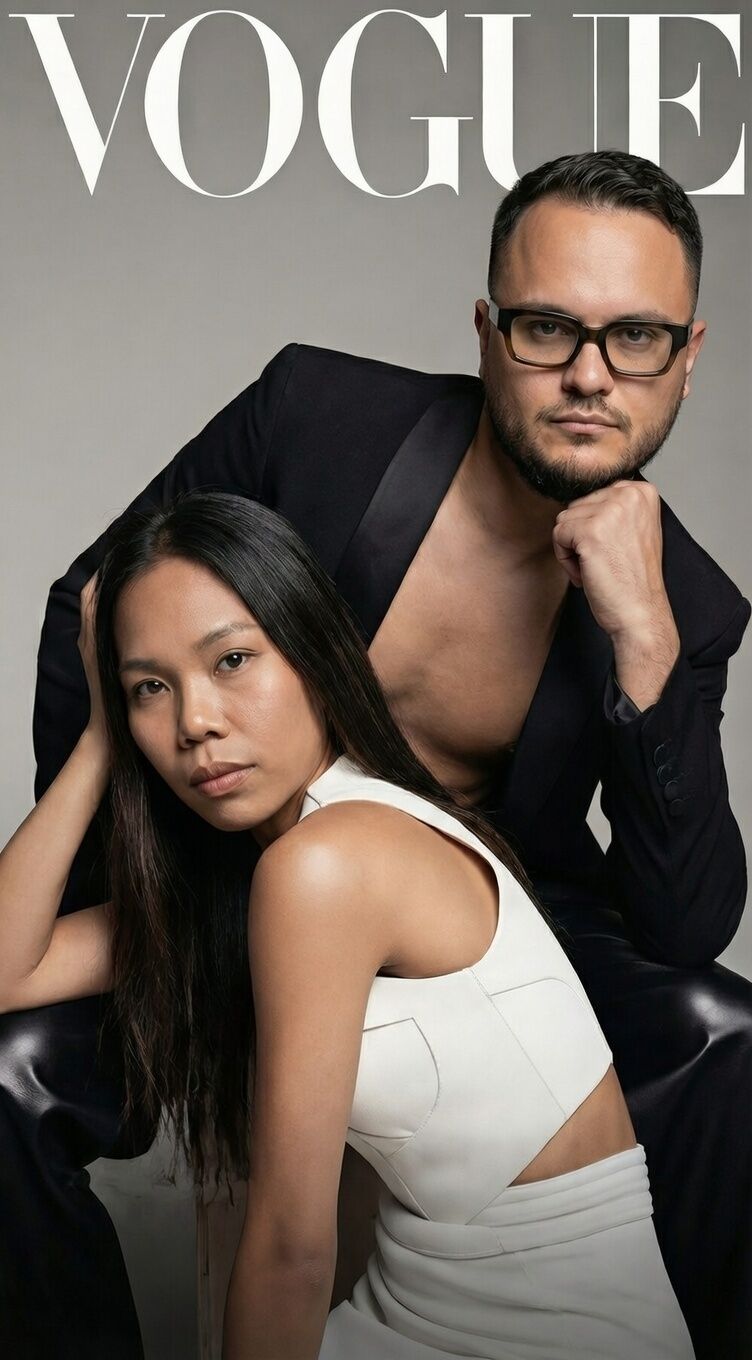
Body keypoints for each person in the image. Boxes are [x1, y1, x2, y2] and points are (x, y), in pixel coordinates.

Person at [3, 149, 750, 1358]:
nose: (587, 375)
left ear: (686, 355)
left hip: (471, 932)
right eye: (546, 328)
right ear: (486, 331)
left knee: (721, 1029)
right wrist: (151, 876)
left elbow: (683, 923)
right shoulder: (320, 422)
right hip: (230, 872)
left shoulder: (685, 605)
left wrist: (644, 642)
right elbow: (107, 608)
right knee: (12, 1069)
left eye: (634, 339)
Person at [0, 491, 696, 1359]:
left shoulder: (329, 862)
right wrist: (102, 739)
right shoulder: (259, 866)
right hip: (412, 1306)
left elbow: (291, 1250)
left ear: (313, 653)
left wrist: (128, 709)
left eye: (232, 660)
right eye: (151, 687)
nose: (195, 722)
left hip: (552, 1333)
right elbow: (10, 968)